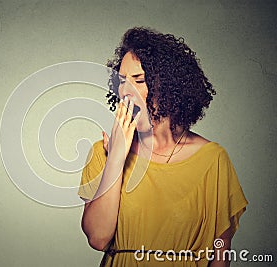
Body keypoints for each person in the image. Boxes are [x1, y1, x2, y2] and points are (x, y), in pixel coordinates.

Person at [78, 27, 248, 267]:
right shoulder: (103, 152)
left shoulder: (213, 160)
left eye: (139, 80)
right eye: (122, 81)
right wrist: (116, 156)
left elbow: (220, 253)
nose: (126, 91)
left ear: (170, 86)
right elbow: (98, 237)